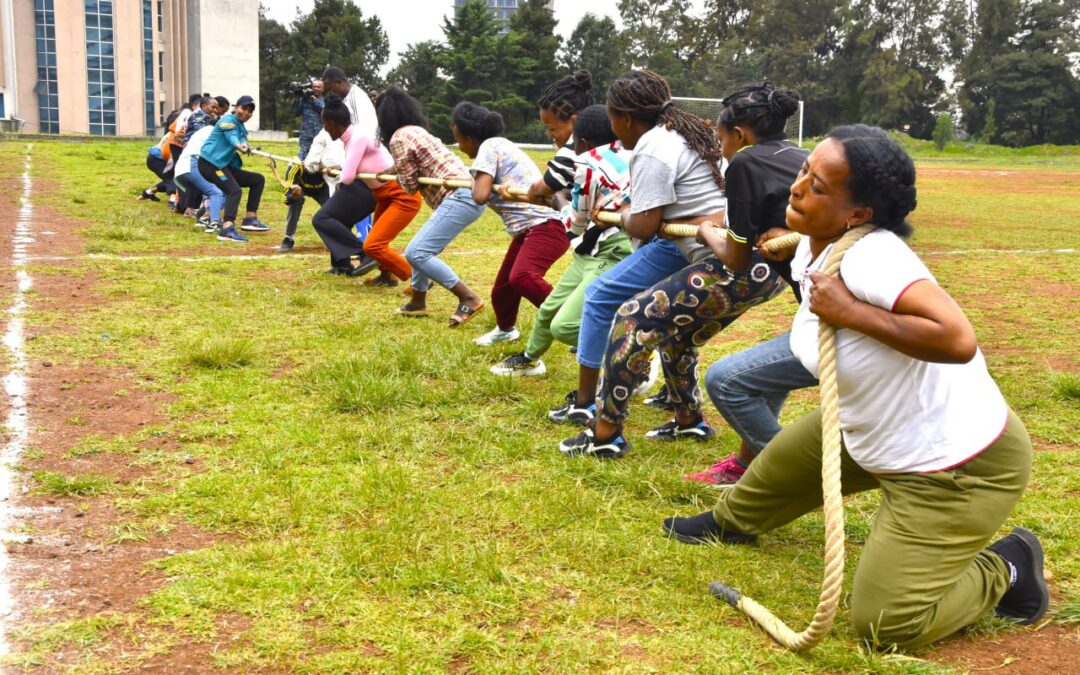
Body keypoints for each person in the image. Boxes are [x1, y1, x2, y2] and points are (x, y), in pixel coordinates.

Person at [663, 124, 1046, 649]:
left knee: (887, 625)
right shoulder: (818, 243)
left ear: (858, 215)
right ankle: (732, 523)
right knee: (772, 472)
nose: (798, 188)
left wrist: (850, 312)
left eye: (819, 187)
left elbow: (956, 339)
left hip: (953, 465)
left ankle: (1009, 566)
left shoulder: (871, 256)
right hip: (871, 429)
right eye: (804, 171)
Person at [544, 69, 724, 433]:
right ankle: (686, 417)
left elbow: (642, 225)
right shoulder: (682, 132)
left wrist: (623, 215)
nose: (612, 126)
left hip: (692, 247)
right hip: (691, 241)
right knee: (672, 330)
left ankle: (585, 404)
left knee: (599, 297)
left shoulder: (653, 147)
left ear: (624, 118)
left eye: (612, 117)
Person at [652, 83, 809, 486]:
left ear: (739, 134)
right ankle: (744, 463)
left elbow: (738, 260)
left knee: (728, 380)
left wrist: (705, 233)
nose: (720, 147)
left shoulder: (745, 162)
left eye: (721, 138)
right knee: (766, 373)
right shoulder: (800, 155)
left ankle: (790, 477)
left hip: (828, 314)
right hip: (816, 302)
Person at [490, 105, 632, 376]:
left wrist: (559, 199)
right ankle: (530, 358)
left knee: (564, 326)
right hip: (590, 247)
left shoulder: (588, 163)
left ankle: (633, 350)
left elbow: (576, 223)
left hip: (611, 249)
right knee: (549, 309)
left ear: (584, 142)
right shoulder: (623, 152)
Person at [451, 102, 568, 345]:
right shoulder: (500, 145)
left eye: (459, 140)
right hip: (529, 229)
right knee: (503, 289)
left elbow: (480, 195)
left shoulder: (488, 146)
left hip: (547, 225)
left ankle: (573, 320)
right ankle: (506, 330)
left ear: (470, 137)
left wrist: (472, 183)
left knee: (523, 277)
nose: (460, 148)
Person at [373, 87, 486, 324]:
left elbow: (410, 185)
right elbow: (417, 161)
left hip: (457, 196)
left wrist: (399, 176)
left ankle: (468, 297)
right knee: (423, 250)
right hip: (469, 192)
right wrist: (391, 171)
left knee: (417, 252)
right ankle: (417, 301)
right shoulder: (418, 132)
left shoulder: (398, 138)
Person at [312, 96, 412, 278]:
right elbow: (359, 164)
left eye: (325, 124)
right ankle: (357, 268)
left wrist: (339, 172)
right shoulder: (354, 135)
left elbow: (348, 177)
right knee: (363, 231)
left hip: (389, 190)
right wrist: (340, 167)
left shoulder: (356, 137)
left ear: (332, 123)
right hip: (378, 190)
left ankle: (366, 255)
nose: (325, 130)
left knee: (323, 219)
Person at [196, 95, 270, 242]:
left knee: (257, 180)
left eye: (250, 111)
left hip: (222, 166)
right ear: (236, 107)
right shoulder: (227, 121)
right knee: (234, 190)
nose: (246, 113)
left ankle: (250, 219)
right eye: (243, 108)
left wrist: (245, 146)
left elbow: (242, 139)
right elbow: (232, 138)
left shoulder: (240, 126)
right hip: (210, 165)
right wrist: (239, 145)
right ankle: (227, 229)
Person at [520, 70, 594, 205]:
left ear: (574, 122)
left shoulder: (576, 146)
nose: (549, 134)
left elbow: (548, 184)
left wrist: (533, 190)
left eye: (552, 128)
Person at [277, 127, 345, 253]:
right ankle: (288, 237)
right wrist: (294, 195)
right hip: (302, 189)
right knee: (296, 203)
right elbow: (285, 198)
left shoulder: (326, 162)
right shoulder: (295, 167)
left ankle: (333, 239)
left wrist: (336, 170)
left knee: (332, 207)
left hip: (321, 188)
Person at [321, 67, 378, 137]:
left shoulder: (355, 98)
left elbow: (361, 133)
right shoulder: (347, 98)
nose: (330, 93)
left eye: (330, 89)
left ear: (339, 82)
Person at [293, 79, 325, 160]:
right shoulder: (304, 100)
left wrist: (313, 99)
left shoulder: (324, 101)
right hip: (306, 135)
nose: (316, 88)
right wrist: (298, 99)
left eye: (318, 87)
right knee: (303, 156)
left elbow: (324, 111)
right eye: (314, 87)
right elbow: (296, 113)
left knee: (318, 157)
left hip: (319, 135)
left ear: (322, 89)